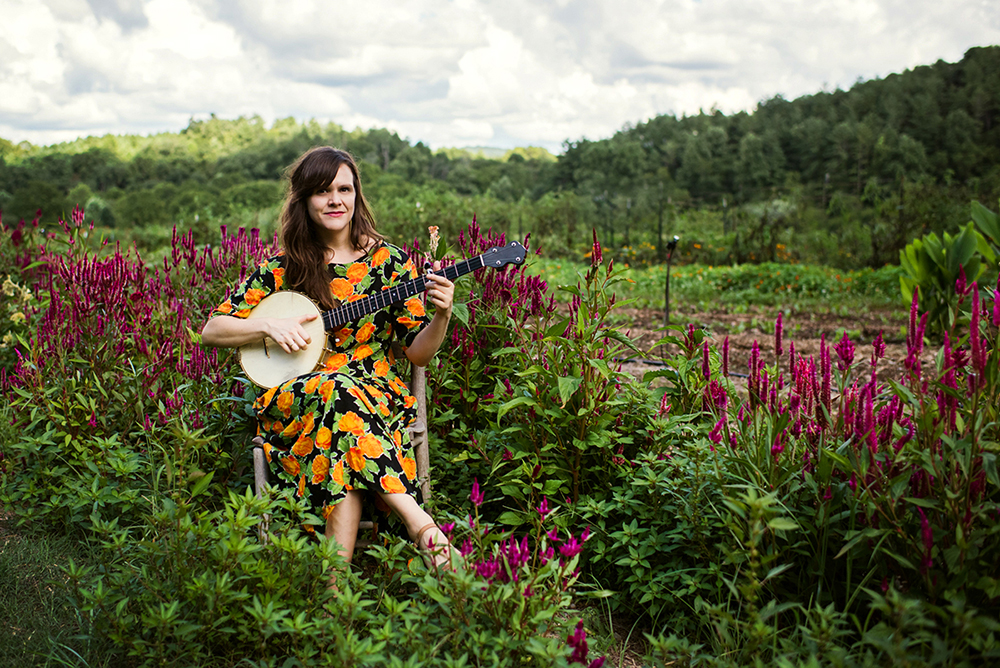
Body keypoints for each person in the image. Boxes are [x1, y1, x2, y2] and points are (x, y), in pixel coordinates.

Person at [201, 146, 455, 568]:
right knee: (335, 394)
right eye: (322, 191)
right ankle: (420, 524)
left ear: (357, 195)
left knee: (341, 408)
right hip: (299, 398)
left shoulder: (390, 264)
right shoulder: (283, 268)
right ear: (304, 200)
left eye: (344, 188)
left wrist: (443, 314)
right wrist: (265, 326)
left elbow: (418, 353)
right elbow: (213, 329)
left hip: (375, 397)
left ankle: (335, 592)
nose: (335, 199)